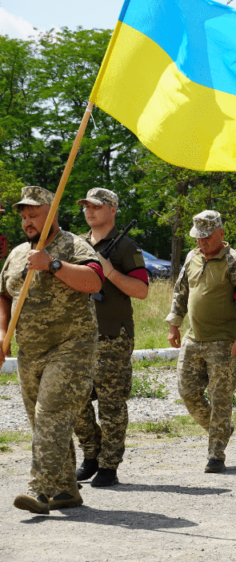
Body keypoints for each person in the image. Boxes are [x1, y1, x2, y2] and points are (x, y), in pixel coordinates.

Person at [0, 186, 104, 514]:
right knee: (44, 423)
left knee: (50, 415)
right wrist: (2, 333)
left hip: (71, 348)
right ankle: (65, 491)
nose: (28, 221)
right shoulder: (18, 254)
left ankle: (39, 490)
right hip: (29, 353)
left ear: (52, 212)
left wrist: (52, 264)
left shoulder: (75, 246)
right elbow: (4, 295)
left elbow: (95, 281)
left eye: (35, 214)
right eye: (24, 216)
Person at [166, 210, 236, 473]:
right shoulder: (192, 257)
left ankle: (216, 453)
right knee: (187, 392)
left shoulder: (235, 262)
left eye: (206, 237)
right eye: (198, 237)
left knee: (220, 398)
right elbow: (181, 291)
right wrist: (174, 323)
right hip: (193, 339)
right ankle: (222, 429)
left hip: (223, 342)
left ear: (221, 234)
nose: (201, 243)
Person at [73, 188, 149, 488]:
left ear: (112, 210)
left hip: (112, 336)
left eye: (96, 206)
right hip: (79, 335)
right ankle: (91, 455)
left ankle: (109, 465)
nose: (89, 211)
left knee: (111, 404)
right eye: (85, 206)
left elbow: (142, 290)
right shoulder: (77, 245)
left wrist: (110, 272)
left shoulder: (126, 247)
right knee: (76, 398)